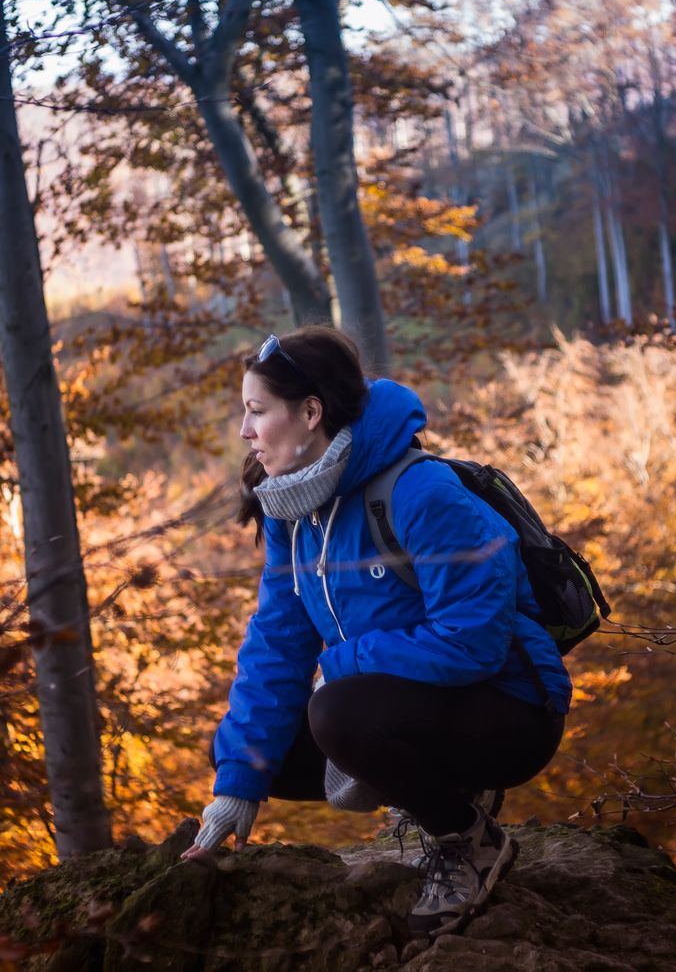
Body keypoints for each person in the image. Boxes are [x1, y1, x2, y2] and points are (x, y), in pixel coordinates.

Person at [181, 326, 571, 937]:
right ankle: (435, 793)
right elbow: (276, 644)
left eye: (257, 411)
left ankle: (467, 840)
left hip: (512, 708)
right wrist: (236, 786)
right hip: (408, 702)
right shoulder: (294, 510)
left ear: (310, 413)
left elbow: (475, 641)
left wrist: (344, 662)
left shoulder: (421, 492)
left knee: (337, 711)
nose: (245, 430)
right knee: (254, 755)